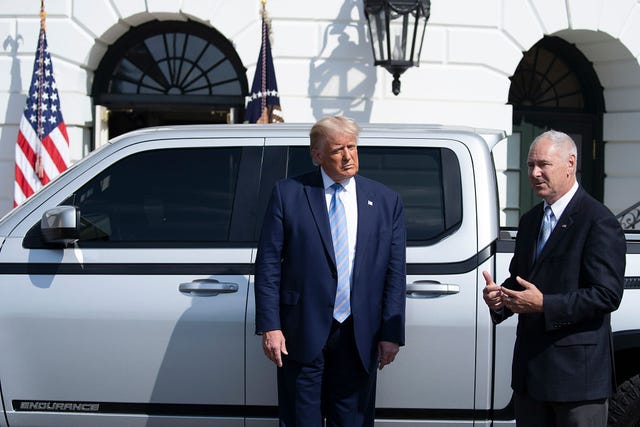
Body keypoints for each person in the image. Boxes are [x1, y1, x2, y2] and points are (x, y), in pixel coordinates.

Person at [254, 115, 407, 426]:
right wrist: (270, 326)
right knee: (300, 420)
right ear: (317, 155)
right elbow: (269, 263)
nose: (348, 156)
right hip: (301, 331)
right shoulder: (289, 193)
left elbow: (395, 272)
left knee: (351, 420)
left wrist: (392, 334)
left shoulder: (385, 200)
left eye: (352, 147)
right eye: (338, 149)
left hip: (358, 334)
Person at [482, 130, 626, 426]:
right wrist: (500, 300)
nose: (534, 173)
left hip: (577, 383)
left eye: (543, 164)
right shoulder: (531, 220)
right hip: (531, 378)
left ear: (570, 163)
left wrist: (546, 304)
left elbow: (607, 295)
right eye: (530, 165)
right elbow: (522, 280)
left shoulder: (598, 220)